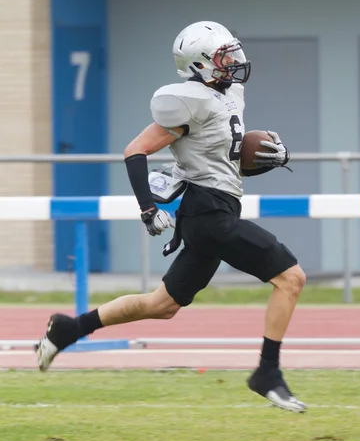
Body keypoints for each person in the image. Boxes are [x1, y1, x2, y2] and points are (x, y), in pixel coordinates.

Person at [36, 21, 307, 413]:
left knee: (161, 305)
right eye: (222, 56)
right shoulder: (187, 102)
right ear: (200, 64)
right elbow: (135, 149)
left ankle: (69, 328)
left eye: (231, 52)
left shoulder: (230, 94)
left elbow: (219, 162)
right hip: (208, 214)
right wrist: (148, 207)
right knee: (291, 278)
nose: (232, 61)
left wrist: (262, 161)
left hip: (217, 207)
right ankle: (267, 372)